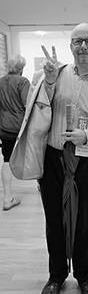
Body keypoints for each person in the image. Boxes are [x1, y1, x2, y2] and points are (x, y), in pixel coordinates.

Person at [10, 23, 88, 294]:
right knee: (54, 220)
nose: (84, 46)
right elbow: (35, 111)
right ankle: (56, 275)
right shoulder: (52, 75)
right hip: (54, 159)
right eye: (78, 41)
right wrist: (47, 83)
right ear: (71, 46)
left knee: (84, 221)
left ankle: (84, 275)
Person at [0, 54, 30, 211]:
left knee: (6, 159)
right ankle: (40, 186)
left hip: (4, 127)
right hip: (21, 127)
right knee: (35, 154)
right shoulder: (23, 82)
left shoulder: (0, 81)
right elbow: (28, 105)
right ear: (21, 68)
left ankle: (7, 198)